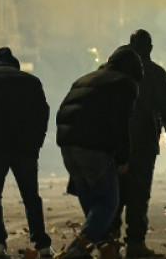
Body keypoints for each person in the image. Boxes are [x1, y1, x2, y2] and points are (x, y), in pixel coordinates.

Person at [55, 45, 141, 259]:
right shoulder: (125, 83)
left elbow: (64, 109)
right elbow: (120, 123)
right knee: (108, 202)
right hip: (93, 148)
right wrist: (123, 158)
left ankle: (105, 249)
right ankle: (77, 249)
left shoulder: (86, 78)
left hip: (68, 144)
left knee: (91, 199)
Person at [0, 47, 53, 257]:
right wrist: (37, 143)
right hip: (25, 148)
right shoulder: (31, 81)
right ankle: (42, 243)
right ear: (14, 62)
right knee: (31, 196)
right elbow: (43, 114)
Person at [111, 30, 166, 257]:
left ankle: (110, 242)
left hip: (115, 142)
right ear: (150, 48)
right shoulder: (156, 74)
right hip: (143, 144)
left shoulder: (113, 70)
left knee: (115, 193)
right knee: (139, 194)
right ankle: (135, 243)